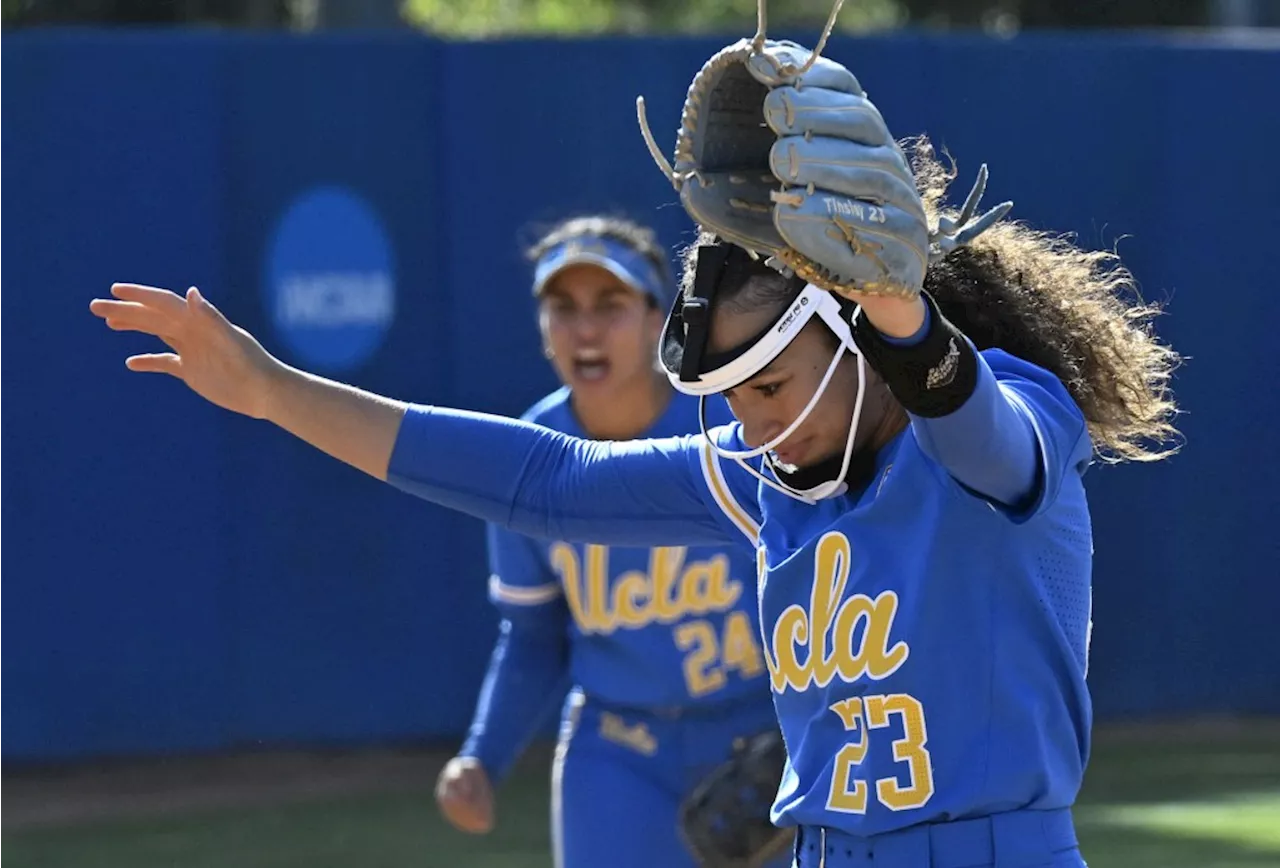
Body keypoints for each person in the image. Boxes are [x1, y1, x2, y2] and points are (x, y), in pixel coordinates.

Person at [90, 57, 1179, 868]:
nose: (747, 428)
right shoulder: (766, 482)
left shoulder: (1002, 426)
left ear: (854, 342)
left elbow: (970, 422)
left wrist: (894, 301)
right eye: (729, 399)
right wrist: (274, 390)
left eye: (765, 387)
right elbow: (544, 481)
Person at [430, 214, 789, 868]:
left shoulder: (725, 421)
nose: (585, 329)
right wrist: (483, 754)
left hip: (763, 734)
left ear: (659, 321)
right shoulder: (527, 458)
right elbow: (533, 633)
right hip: (619, 748)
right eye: (562, 308)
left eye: (611, 305)